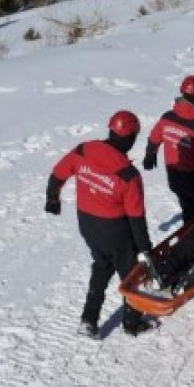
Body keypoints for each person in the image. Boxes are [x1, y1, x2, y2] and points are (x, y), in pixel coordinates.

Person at [46, 110, 155, 338]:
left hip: (87, 224)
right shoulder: (128, 175)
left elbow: (57, 175)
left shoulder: (84, 150)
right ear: (131, 137)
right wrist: (145, 249)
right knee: (131, 275)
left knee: (102, 265)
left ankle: (88, 320)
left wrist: (52, 199)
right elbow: (136, 218)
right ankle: (132, 323)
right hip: (115, 230)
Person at [143, 75, 194, 223]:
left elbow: (154, 139)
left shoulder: (167, 118)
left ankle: (189, 232)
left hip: (174, 179)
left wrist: (149, 155)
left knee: (189, 209)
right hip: (193, 181)